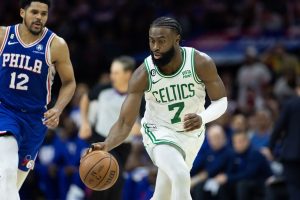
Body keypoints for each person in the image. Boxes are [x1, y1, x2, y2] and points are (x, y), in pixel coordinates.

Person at [89, 17, 228, 200]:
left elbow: (221, 102)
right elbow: (125, 122)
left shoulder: (199, 62)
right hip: (158, 131)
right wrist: (107, 144)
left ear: (177, 40)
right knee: (180, 175)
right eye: (151, 40)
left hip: (191, 135)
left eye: (161, 41)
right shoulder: (143, 73)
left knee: (163, 194)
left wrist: (202, 118)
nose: (155, 46)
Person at [0, 0, 76, 199]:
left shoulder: (56, 45)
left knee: (10, 187)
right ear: (22, 12)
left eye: (44, 14)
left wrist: (58, 108)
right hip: (5, 111)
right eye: (34, 12)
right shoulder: (3, 35)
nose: (39, 18)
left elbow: (69, 83)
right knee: (5, 173)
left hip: (35, 121)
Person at [79, 56, 139, 200]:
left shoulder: (137, 96)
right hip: (101, 140)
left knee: (113, 185)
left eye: (116, 73)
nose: (112, 76)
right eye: (112, 72)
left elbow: (142, 122)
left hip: (124, 145)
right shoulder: (103, 89)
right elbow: (85, 99)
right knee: (103, 182)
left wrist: (139, 127)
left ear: (128, 74)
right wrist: (85, 123)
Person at [269, 81, 300, 200]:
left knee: (294, 188)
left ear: (297, 89)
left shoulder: (291, 104)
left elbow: (278, 128)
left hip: (292, 154)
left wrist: (271, 147)